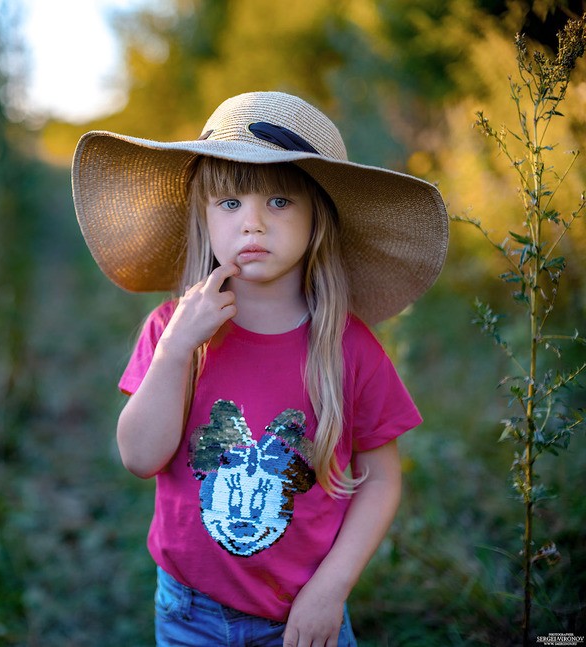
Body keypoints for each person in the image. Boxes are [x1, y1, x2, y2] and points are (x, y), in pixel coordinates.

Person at [71, 91, 448, 647]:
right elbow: (139, 456)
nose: (252, 224)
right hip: (188, 611)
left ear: (317, 216)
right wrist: (176, 350)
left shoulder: (348, 347)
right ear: (203, 215)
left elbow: (381, 477)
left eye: (278, 201)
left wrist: (331, 590)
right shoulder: (173, 331)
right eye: (229, 203)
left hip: (303, 615)